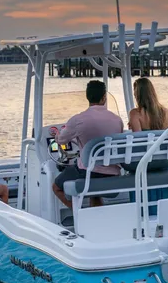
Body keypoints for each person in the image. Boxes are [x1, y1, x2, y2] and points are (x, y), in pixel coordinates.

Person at [51, 80, 123, 209]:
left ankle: (80, 215)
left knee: (56, 186)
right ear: (104, 97)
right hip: (112, 173)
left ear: (87, 97)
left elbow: (61, 140)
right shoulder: (117, 120)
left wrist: (56, 134)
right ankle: (94, 217)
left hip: (88, 173)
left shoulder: (79, 120)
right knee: (95, 193)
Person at [127, 78, 168, 215]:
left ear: (138, 94)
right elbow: (164, 136)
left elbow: (139, 140)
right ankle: (161, 214)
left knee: (132, 168)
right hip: (163, 161)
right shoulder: (165, 112)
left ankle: (141, 214)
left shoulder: (135, 114)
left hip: (145, 162)